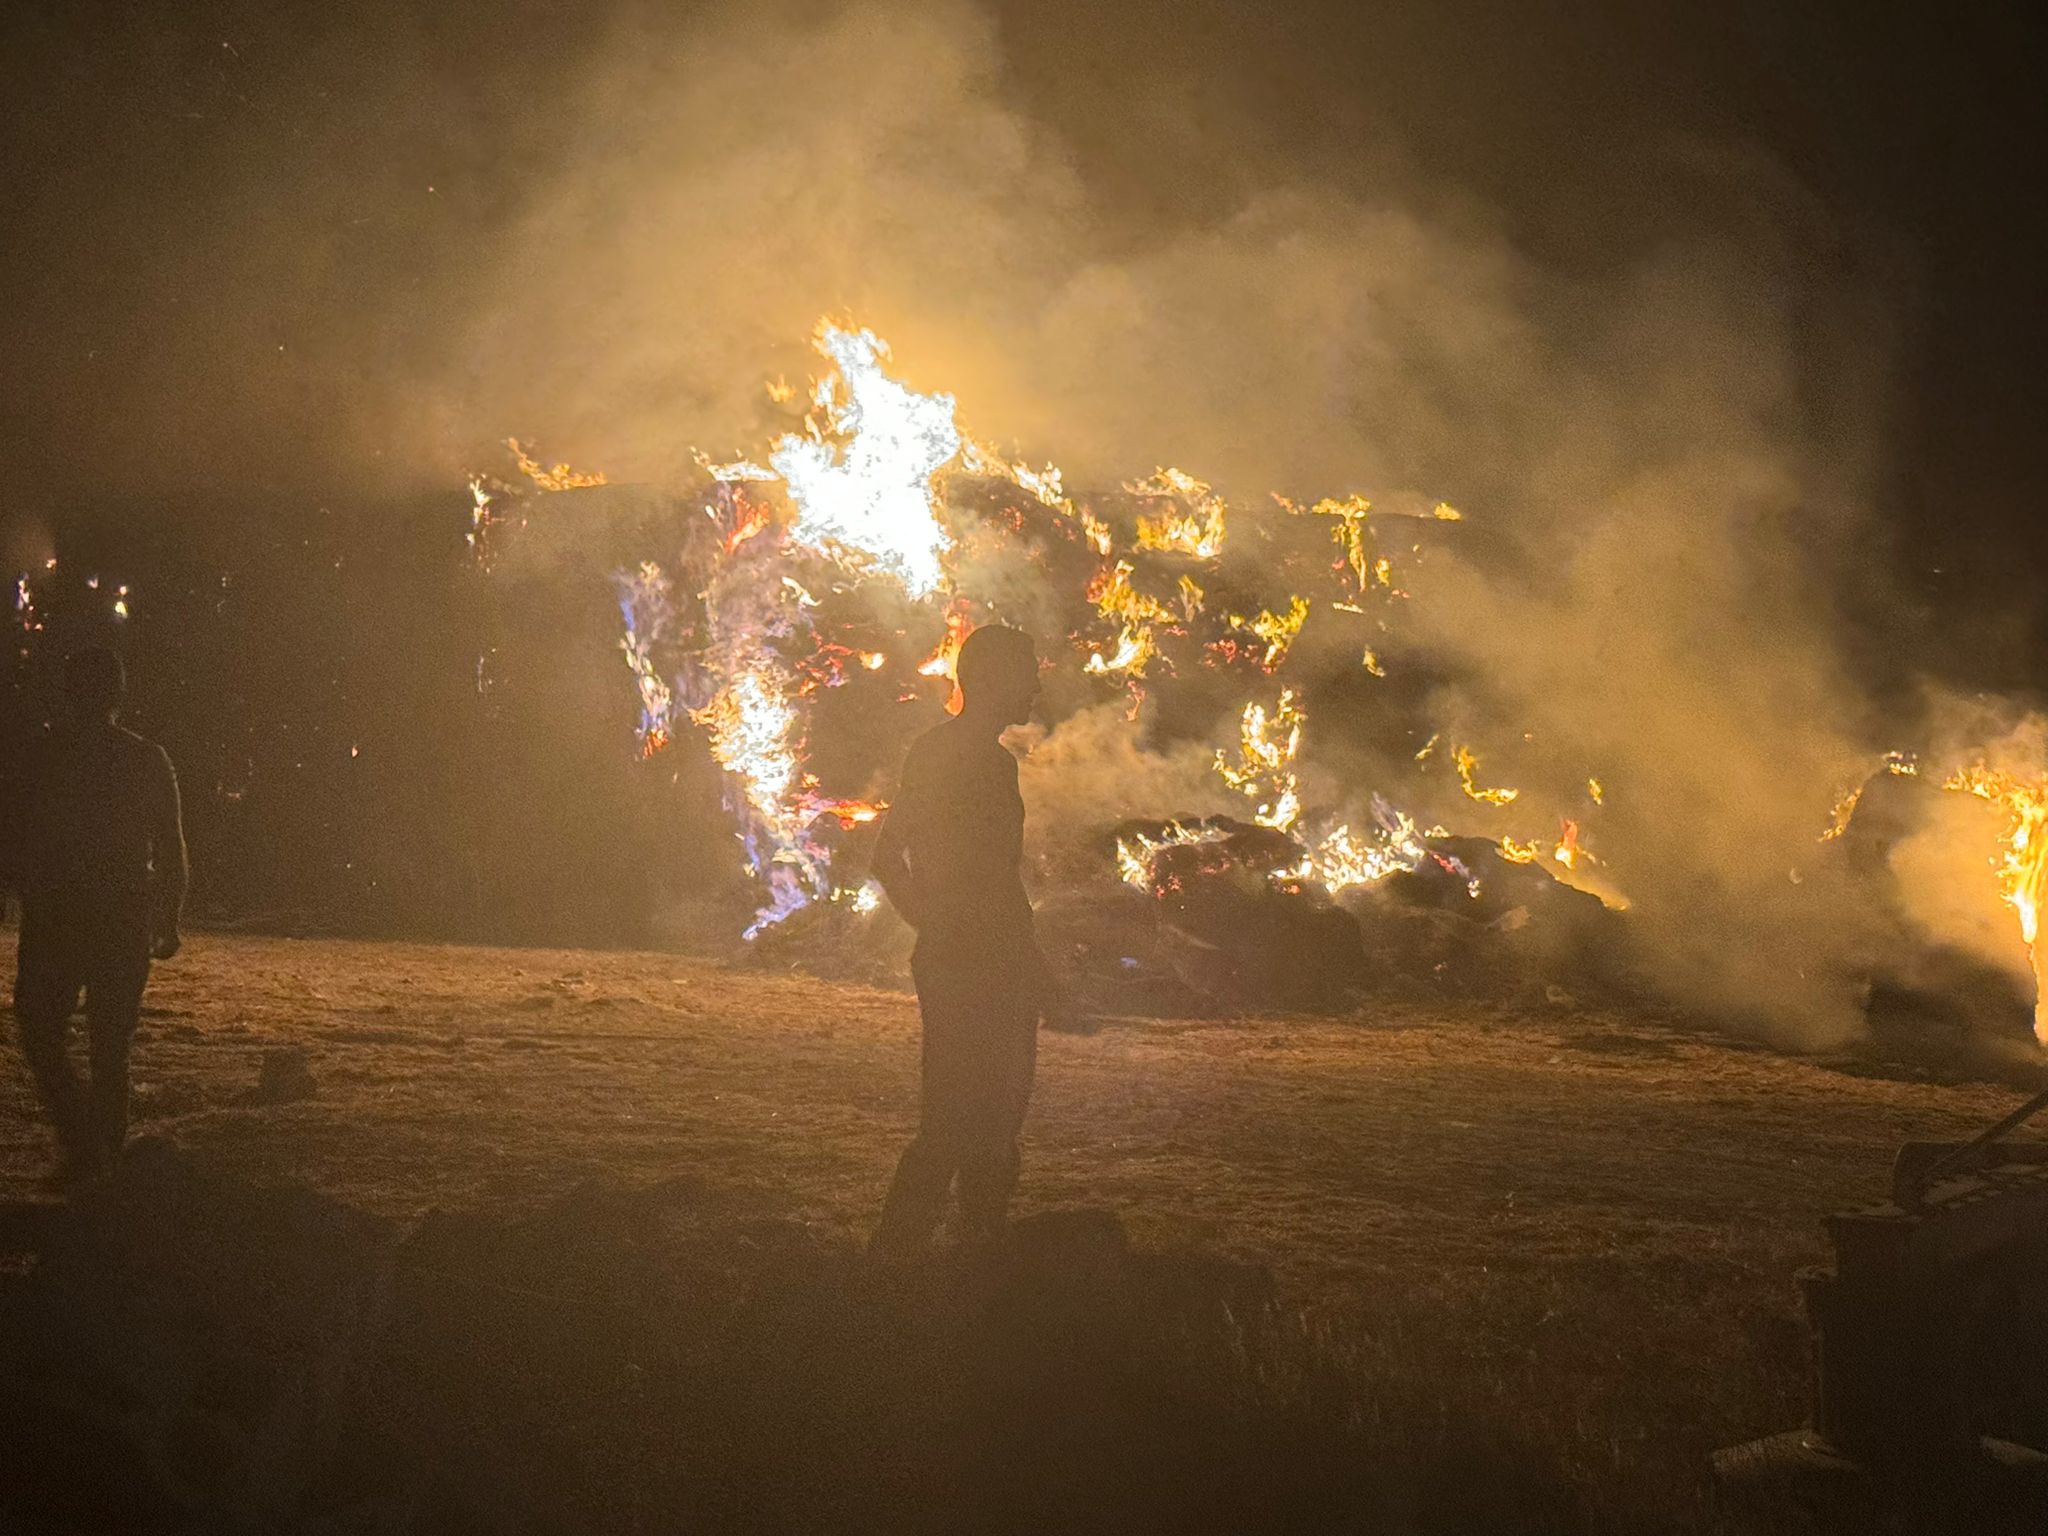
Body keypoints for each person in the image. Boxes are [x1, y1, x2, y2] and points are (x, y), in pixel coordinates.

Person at [869, 624, 1062, 1254]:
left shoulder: (960, 754)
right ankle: (906, 1266)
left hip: (982, 958)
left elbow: (892, 860)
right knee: (965, 1118)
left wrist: (937, 930)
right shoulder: (965, 759)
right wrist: (948, 930)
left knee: (984, 1120)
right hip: (978, 962)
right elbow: (902, 859)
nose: (1035, 684)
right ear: (994, 678)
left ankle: (958, 1257)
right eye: (1026, 670)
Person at [9, 645, 187, 1185]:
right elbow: (171, 847)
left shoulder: (44, 755)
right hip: (121, 916)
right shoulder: (146, 758)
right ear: (118, 694)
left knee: (40, 1028)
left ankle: (84, 1145)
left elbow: (15, 835)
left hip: (58, 915)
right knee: (111, 1047)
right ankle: (101, 1163)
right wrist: (169, 917)